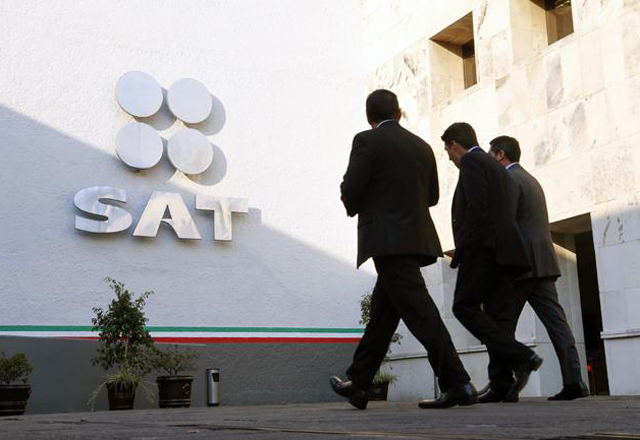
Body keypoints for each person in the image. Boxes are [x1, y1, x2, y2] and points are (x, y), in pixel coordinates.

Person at [330, 90, 477, 410]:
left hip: (386, 240)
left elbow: (351, 188)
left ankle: (458, 383)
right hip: (415, 238)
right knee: (383, 315)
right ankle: (360, 384)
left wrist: (354, 200)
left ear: (369, 117)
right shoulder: (422, 146)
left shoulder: (366, 140)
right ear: (398, 113)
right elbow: (432, 196)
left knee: (420, 312)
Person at [442, 122, 543, 403]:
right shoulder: (496, 166)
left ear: (454, 144)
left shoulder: (472, 161)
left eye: (447, 151)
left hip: (483, 250)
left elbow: (478, 209)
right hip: (504, 253)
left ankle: (522, 356)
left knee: (464, 306)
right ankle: (501, 383)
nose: (449, 158)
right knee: (498, 317)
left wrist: (463, 250)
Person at [483, 135, 589, 401]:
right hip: (543, 263)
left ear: (500, 155)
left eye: (490, 154)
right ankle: (575, 381)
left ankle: (502, 384)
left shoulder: (509, 179)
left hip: (521, 266)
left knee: (499, 324)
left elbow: (505, 223)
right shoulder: (531, 179)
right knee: (558, 325)